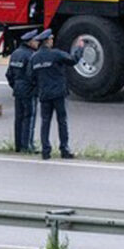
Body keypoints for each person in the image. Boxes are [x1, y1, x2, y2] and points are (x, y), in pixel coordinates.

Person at [30, 29, 84, 160]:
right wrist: (79, 48)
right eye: (51, 39)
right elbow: (73, 60)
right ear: (47, 41)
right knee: (62, 121)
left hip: (44, 94)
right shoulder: (56, 54)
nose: (52, 41)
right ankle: (64, 149)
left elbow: (31, 77)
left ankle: (45, 151)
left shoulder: (34, 58)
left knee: (45, 122)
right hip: (58, 94)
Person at [7, 29, 40, 153]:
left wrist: (15, 86)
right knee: (29, 118)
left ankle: (18, 145)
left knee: (19, 118)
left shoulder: (15, 54)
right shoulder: (32, 55)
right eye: (36, 41)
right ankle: (28, 146)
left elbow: (9, 74)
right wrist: (35, 88)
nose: (37, 43)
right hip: (29, 91)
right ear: (30, 42)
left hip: (18, 90)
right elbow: (34, 75)